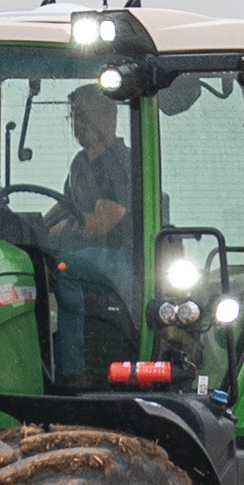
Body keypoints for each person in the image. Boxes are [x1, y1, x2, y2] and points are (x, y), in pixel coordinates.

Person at [45, 87, 141, 387]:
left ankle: (73, 370)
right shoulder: (80, 163)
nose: (78, 123)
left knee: (63, 270)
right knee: (40, 265)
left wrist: (58, 231)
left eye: (85, 115)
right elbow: (63, 206)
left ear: (110, 116)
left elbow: (99, 223)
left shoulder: (119, 162)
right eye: (75, 116)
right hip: (89, 257)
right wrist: (33, 226)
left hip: (119, 258)